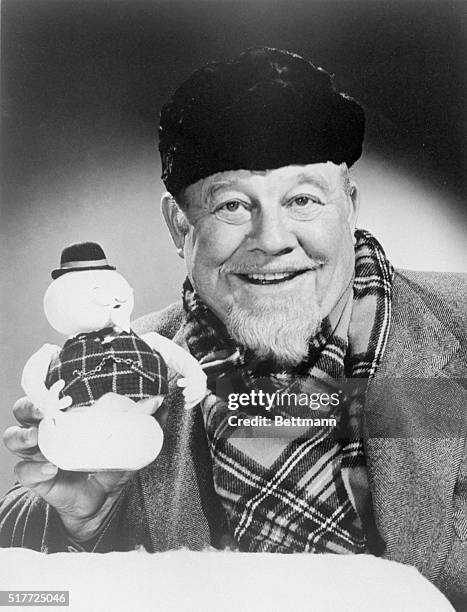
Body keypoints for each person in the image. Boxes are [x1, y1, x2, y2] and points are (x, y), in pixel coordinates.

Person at [1, 48, 466, 608]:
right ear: (180, 227)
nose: (272, 239)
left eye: (302, 199)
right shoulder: (132, 369)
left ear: (350, 206)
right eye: (231, 206)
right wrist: (84, 522)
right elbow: (26, 587)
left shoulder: (453, 333)